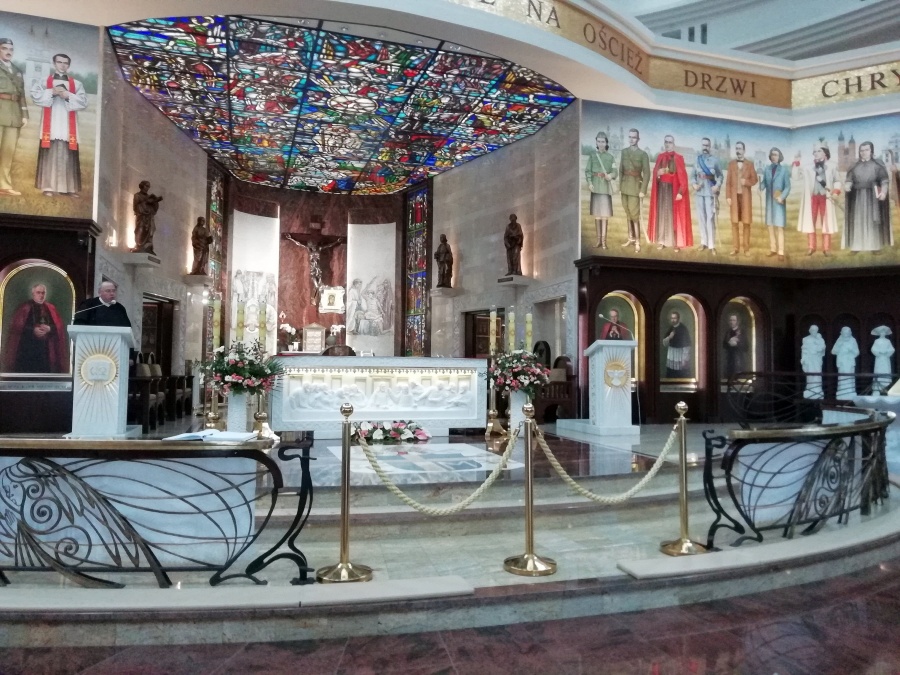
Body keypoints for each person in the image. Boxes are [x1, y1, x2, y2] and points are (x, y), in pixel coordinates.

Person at [30, 53, 87, 197]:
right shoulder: (44, 81)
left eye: (65, 63)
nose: (62, 65)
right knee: (50, 152)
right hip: (51, 122)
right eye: (59, 62)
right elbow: (35, 95)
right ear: (54, 63)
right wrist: (52, 92)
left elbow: (83, 102)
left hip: (68, 124)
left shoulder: (77, 84)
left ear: (69, 65)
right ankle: (48, 187)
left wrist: (68, 96)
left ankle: (68, 188)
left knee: (68, 154)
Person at [2, 283, 68, 373]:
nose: (41, 295)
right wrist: (33, 330)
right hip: (27, 349)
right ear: (33, 293)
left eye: (43, 293)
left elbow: (59, 327)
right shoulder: (25, 308)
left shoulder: (51, 308)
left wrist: (49, 329)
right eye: (38, 292)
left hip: (45, 350)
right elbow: (17, 327)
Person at [843, 141, 892, 254]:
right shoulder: (855, 166)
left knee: (873, 221)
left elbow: (884, 180)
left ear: (871, 151)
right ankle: (856, 246)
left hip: (873, 197)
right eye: (861, 150)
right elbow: (849, 179)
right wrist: (847, 185)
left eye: (866, 150)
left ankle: (874, 246)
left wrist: (883, 192)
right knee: (857, 220)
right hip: (857, 197)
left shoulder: (877, 165)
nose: (863, 152)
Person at [794, 143, 841, 257]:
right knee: (811, 221)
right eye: (814, 151)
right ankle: (811, 247)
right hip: (812, 198)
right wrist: (796, 163)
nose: (816, 153)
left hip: (826, 198)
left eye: (819, 151)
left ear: (825, 153)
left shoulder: (832, 166)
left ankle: (826, 248)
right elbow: (795, 177)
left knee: (827, 222)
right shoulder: (807, 167)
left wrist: (835, 192)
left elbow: (837, 181)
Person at [648, 135, 692, 252]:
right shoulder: (660, 157)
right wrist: (658, 173)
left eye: (670, 142)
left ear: (673, 144)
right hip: (662, 190)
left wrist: (681, 192)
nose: (668, 144)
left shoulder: (678, 158)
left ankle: (676, 243)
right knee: (662, 215)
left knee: (674, 216)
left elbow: (683, 177)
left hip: (673, 190)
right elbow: (656, 175)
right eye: (666, 142)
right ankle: (662, 241)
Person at [0, 38, 27, 197]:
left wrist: (24, 115)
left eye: (11, 49)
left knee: (8, 152)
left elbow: (21, 94)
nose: (8, 52)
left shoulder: (17, 70)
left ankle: (4, 185)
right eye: (4, 48)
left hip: (13, 114)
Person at [618, 128, 651, 252]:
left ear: (638, 139)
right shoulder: (624, 152)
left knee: (635, 214)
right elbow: (621, 170)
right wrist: (620, 187)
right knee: (628, 212)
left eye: (634, 137)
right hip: (625, 186)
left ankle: (637, 242)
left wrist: (643, 190)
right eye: (630, 137)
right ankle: (631, 238)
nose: (631, 139)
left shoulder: (643, 154)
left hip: (635, 187)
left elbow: (647, 173)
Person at [724, 141, 758, 256]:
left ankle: (746, 249)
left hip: (745, 198)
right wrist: (728, 197)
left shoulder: (750, 164)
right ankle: (735, 248)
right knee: (734, 223)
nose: (738, 151)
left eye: (740, 149)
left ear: (744, 150)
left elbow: (755, 180)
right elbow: (728, 182)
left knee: (746, 223)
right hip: (734, 198)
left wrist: (746, 182)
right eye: (736, 148)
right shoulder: (731, 164)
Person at [585, 131, 618, 249]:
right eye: (598, 141)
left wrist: (611, 175)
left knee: (604, 215)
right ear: (596, 142)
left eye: (603, 141)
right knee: (597, 215)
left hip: (605, 188)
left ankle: (604, 242)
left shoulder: (610, 157)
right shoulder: (592, 156)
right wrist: (590, 183)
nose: (600, 144)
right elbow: (588, 171)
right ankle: (598, 241)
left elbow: (615, 172)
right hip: (595, 187)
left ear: (606, 143)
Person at [691, 137, 722, 254]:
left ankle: (711, 245)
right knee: (701, 218)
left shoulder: (715, 160)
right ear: (701, 146)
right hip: (699, 193)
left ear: (710, 147)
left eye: (707, 145)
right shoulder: (697, 159)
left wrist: (717, 186)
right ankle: (703, 242)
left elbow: (720, 176)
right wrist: (694, 184)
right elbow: (692, 175)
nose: (705, 147)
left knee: (710, 218)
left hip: (710, 193)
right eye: (703, 145)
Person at [759, 147, 791, 261]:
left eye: (776, 155)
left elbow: (788, 187)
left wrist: (782, 197)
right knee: (770, 226)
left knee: (779, 227)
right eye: (772, 154)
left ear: (780, 157)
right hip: (769, 202)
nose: (774, 157)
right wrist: (760, 186)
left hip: (779, 202)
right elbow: (764, 183)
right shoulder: (767, 169)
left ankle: (781, 251)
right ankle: (773, 249)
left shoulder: (784, 170)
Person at [131, 180, 163, 254]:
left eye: (149, 186)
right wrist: (146, 202)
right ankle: (139, 246)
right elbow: (136, 207)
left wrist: (155, 202)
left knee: (150, 230)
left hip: (149, 218)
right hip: (141, 218)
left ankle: (148, 246)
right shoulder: (137, 195)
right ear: (142, 186)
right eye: (146, 186)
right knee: (140, 230)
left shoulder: (149, 196)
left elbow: (154, 209)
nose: (147, 188)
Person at [832, 326, 859, 399]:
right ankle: (842, 391)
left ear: (850, 333)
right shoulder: (839, 340)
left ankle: (850, 391)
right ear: (841, 333)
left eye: (847, 333)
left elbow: (857, 352)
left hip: (849, 361)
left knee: (850, 376)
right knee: (842, 377)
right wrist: (839, 346)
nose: (846, 335)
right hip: (842, 362)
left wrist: (851, 350)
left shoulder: (853, 340)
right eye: (844, 333)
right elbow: (833, 351)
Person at [662, 310, 691, 378]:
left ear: (678, 318)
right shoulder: (671, 328)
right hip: (671, 353)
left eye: (674, 318)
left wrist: (685, 359)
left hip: (680, 354)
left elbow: (687, 345)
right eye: (672, 318)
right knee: (671, 373)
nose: (673, 320)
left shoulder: (683, 328)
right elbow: (664, 343)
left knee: (680, 373)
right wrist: (669, 337)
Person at [801, 324, 826, 399]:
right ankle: (810, 388)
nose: (814, 331)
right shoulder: (805, 339)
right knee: (810, 375)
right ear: (810, 331)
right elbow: (804, 350)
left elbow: (823, 349)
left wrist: (819, 348)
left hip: (816, 359)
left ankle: (817, 389)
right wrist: (804, 359)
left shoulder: (820, 339)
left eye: (815, 330)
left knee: (817, 374)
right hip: (809, 359)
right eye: (812, 330)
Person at [870, 326, 895, 393]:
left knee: (886, 372)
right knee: (878, 372)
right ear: (879, 333)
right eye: (881, 332)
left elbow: (892, 349)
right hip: (879, 359)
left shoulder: (888, 341)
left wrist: (887, 352)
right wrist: (879, 352)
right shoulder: (876, 341)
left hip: (886, 359)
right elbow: (873, 349)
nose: (882, 333)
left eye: (884, 332)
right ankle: (877, 389)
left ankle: (887, 388)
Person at [722, 313, 745, 379]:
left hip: (738, 358)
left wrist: (737, 344)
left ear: (737, 321)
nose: (732, 322)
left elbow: (746, 346)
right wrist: (729, 342)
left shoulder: (742, 332)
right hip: (729, 358)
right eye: (731, 320)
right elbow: (724, 345)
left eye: (734, 320)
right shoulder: (728, 332)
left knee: (738, 375)